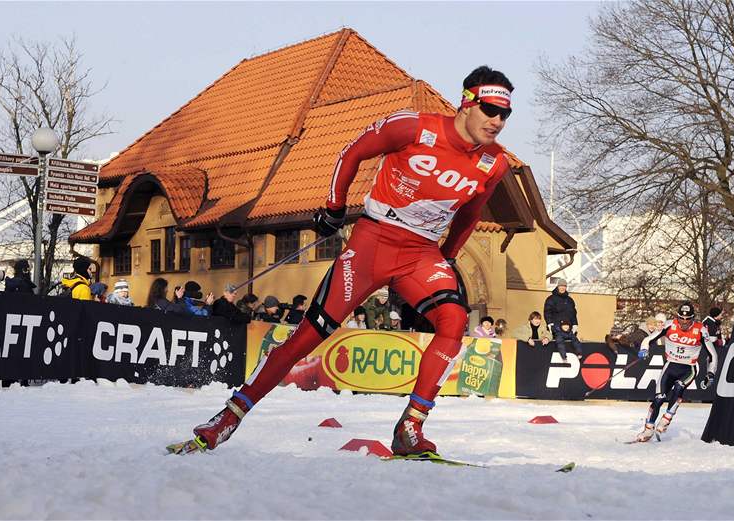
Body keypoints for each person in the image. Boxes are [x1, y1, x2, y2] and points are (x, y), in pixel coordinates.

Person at [185, 65, 515, 457]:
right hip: (373, 243)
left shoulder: (494, 163)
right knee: (307, 337)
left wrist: (446, 258)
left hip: (421, 254)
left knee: (454, 320)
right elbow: (352, 153)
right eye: (490, 110)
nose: (497, 121)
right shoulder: (413, 127)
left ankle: (410, 426)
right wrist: (334, 206)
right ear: (466, 103)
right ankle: (228, 417)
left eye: (505, 114)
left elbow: (470, 214)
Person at [634, 302, 718, 442]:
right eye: (681, 318)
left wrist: (711, 373)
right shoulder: (669, 325)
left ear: (693, 318)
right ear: (677, 317)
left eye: (688, 319)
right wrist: (644, 349)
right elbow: (648, 339)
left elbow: (713, 354)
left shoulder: (701, 330)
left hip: (689, 368)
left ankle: (666, 419)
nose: (684, 322)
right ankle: (648, 429)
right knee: (659, 398)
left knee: (679, 386)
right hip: (671, 366)